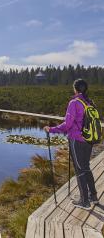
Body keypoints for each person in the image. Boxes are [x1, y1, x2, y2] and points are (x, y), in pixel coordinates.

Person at [43, 79, 98, 210]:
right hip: (89, 140)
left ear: (75, 89)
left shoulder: (74, 102)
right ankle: (93, 196)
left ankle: (84, 201)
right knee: (86, 167)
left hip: (77, 141)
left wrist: (51, 129)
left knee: (80, 170)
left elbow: (67, 125)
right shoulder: (89, 102)